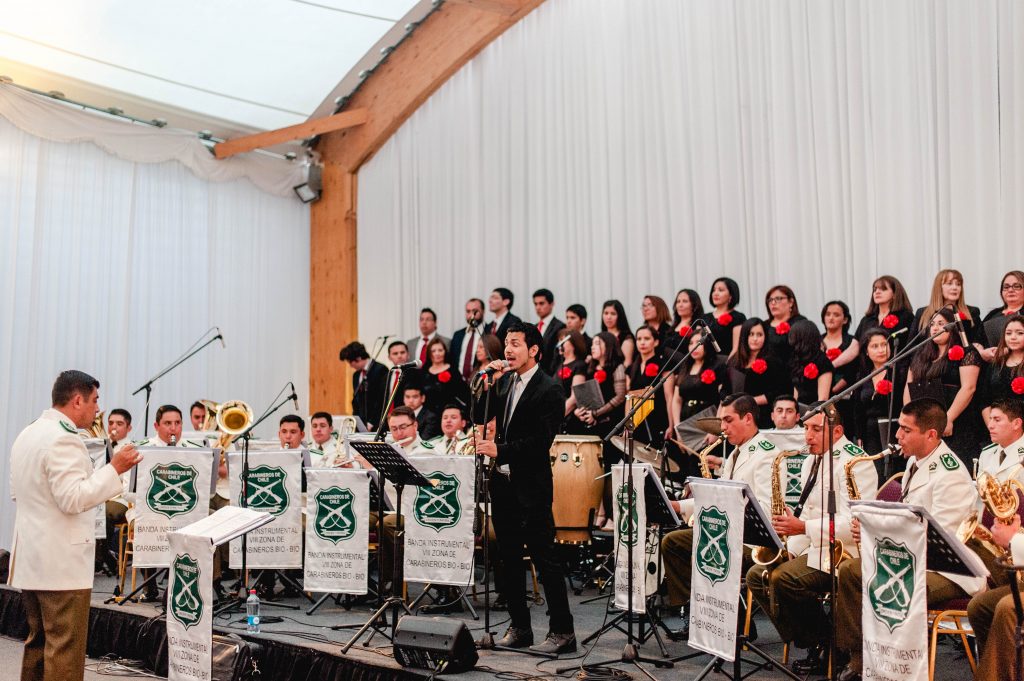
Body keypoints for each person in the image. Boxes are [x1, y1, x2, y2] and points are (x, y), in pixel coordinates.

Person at [835, 398, 984, 681]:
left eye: (905, 429)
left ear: (930, 434)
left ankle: (899, 667)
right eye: (899, 428)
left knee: (892, 584)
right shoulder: (917, 461)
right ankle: (860, 658)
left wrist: (878, 533)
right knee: (851, 571)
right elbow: (908, 523)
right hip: (913, 558)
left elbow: (940, 539)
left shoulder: (950, 474)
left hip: (950, 570)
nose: (897, 436)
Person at [9, 370, 143, 681]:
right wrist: (114, 469)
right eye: (95, 400)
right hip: (61, 565)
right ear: (77, 399)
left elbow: (19, 494)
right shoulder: (63, 439)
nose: (99, 409)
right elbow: (72, 499)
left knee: (39, 645)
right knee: (65, 652)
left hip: (32, 558)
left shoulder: (28, 434)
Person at [746, 407, 876, 675]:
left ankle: (831, 645)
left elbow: (853, 523)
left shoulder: (855, 462)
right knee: (758, 575)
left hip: (846, 552)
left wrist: (802, 526)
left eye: (816, 429)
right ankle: (819, 641)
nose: (808, 436)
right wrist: (787, 549)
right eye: (806, 428)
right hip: (816, 547)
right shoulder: (811, 460)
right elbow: (807, 514)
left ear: (838, 431)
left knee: (785, 579)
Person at [473, 321, 576, 654]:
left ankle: (563, 631)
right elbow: (477, 414)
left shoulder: (551, 389)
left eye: (515, 343)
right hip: (502, 483)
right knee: (508, 559)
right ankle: (520, 627)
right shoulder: (504, 384)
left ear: (533, 350)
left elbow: (539, 442)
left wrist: (499, 450)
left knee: (545, 559)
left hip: (531, 485)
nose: (508, 349)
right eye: (506, 343)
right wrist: (485, 383)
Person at [660, 393, 775, 639]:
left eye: (728, 420)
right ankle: (697, 612)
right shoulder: (735, 453)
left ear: (747, 419)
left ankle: (734, 619)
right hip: (727, 533)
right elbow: (719, 498)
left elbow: (765, 509)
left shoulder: (766, 454)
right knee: (673, 543)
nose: (722, 427)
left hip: (750, 542)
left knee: (701, 547)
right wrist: (680, 506)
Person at [905, 309, 984, 463]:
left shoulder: (967, 352)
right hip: (924, 424)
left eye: (941, 324)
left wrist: (947, 419)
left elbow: (969, 388)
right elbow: (909, 388)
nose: (935, 328)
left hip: (956, 424)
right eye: (932, 324)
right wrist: (908, 421)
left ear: (952, 327)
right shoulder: (920, 355)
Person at [575, 332, 627, 528]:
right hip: (593, 423)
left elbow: (620, 396)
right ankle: (599, 512)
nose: (593, 346)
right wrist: (582, 411)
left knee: (608, 469)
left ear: (608, 345)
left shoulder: (617, 367)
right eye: (593, 343)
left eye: (598, 343)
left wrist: (596, 413)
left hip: (610, 424)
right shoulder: (591, 367)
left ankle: (611, 515)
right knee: (595, 468)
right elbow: (585, 394)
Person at [852, 328, 907, 477]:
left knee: (895, 473)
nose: (881, 350)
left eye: (884, 344)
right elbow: (857, 409)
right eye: (875, 346)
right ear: (866, 352)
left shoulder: (900, 371)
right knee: (874, 472)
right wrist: (859, 435)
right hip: (870, 432)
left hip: (894, 426)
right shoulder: (862, 375)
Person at [727, 318, 792, 430]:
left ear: (765, 337)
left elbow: (782, 390)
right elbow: (725, 390)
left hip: (763, 418)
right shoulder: (734, 360)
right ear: (744, 336)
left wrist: (751, 401)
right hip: (736, 417)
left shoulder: (773, 361)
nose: (755, 339)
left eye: (759, 335)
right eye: (751, 334)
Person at [626, 325, 675, 449]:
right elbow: (629, 398)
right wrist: (627, 424)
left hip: (658, 417)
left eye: (647, 338)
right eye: (639, 339)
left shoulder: (664, 365)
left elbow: (669, 397)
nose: (642, 342)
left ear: (656, 342)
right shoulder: (632, 368)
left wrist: (671, 424)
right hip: (637, 421)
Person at [912, 269, 983, 347]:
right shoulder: (923, 313)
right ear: (939, 288)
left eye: (958, 284)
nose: (955, 287)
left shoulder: (972, 312)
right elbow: (912, 346)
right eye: (949, 284)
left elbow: (979, 342)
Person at [981, 314, 1024, 415]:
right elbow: (984, 401)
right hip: (998, 423)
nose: (1013, 337)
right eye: (1008, 333)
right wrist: (992, 425)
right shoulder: (996, 364)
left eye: (1020, 333)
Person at [340, 341, 388, 430]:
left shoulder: (380, 370)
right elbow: (356, 399)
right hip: (360, 423)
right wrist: (355, 421)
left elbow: (381, 399)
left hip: (376, 423)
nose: (350, 366)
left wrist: (372, 422)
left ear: (358, 358)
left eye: (350, 362)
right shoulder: (356, 375)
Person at [852, 275, 915, 342]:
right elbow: (854, 346)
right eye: (875, 289)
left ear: (894, 294)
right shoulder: (866, 319)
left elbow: (913, 345)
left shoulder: (905, 316)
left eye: (883, 289)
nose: (877, 292)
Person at [979, 270, 1024, 360]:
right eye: (1006, 287)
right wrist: (982, 352)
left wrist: (1006, 350)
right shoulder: (993, 314)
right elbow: (977, 340)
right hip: (991, 363)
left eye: (1016, 286)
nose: (1010, 290)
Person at [787, 319, 834, 405]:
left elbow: (823, 399)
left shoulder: (822, 361)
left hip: (817, 411)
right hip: (802, 410)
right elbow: (796, 393)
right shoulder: (797, 360)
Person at [420, 337, 470, 414]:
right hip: (428, 415)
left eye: (440, 350)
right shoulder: (424, 371)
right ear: (429, 353)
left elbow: (463, 393)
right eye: (433, 351)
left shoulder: (452, 370)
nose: (437, 353)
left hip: (449, 413)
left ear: (445, 352)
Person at [820, 300, 859, 396]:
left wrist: (833, 390)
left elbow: (853, 371)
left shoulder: (851, 342)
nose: (831, 318)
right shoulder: (817, 341)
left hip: (844, 395)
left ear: (845, 320)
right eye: (828, 314)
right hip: (819, 393)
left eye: (836, 315)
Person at [703, 276, 746, 357]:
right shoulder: (704, 318)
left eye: (720, 290)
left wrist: (726, 366)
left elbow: (736, 349)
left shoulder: (738, 317)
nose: (715, 293)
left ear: (731, 295)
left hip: (726, 362)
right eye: (714, 290)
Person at [555, 329, 588, 433]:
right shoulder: (559, 364)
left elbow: (575, 398)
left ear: (573, 343)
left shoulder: (579, 365)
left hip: (569, 418)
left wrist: (556, 416)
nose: (560, 343)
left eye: (563, 340)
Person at [764, 285, 806, 364]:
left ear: (791, 302)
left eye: (778, 299)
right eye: (770, 300)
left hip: (794, 370)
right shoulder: (764, 325)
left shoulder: (800, 323)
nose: (773, 303)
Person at [450, 298, 486, 380]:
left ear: (483, 311)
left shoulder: (489, 332)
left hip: (480, 381)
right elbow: (452, 360)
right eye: (468, 311)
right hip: (458, 382)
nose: (471, 315)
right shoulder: (458, 335)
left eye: (474, 311)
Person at [533, 288, 566, 375]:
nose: (538, 307)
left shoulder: (560, 326)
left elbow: (557, 356)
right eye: (535, 304)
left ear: (551, 304)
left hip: (549, 374)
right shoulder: (534, 327)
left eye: (541, 303)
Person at [600, 299, 635, 369]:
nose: (608, 317)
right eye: (606, 313)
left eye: (613, 314)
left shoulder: (626, 337)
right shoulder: (600, 336)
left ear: (620, 316)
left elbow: (627, 364)